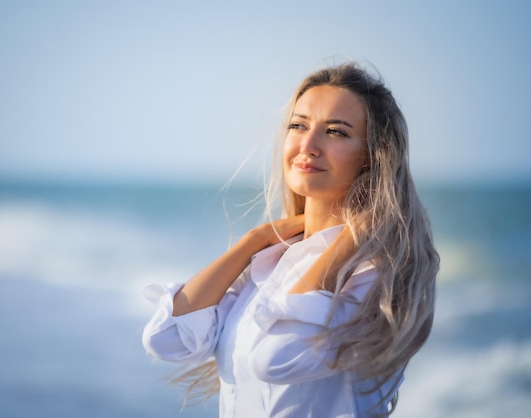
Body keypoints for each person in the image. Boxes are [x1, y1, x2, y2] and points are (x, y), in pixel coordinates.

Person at [142, 62, 439, 417]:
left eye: (336, 132)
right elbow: (166, 339)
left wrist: (355, 237)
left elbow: (277, 357)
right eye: (298, 126)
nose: (308, 145)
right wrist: (255, 239)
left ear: (373, 155)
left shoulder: (375, 272)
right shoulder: (268, 263)